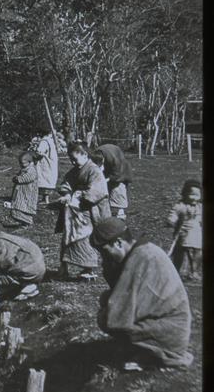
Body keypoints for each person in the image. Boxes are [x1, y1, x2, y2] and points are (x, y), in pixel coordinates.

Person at [92, 217, 193, 370]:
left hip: (171, 333)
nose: (104, 258)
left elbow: (116, 317)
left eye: (105, 253)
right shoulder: (143, 250)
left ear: (119, 243)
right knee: (107, 300)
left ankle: (154, 355)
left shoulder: (140, 258)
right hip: (172, 325)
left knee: (106, 318)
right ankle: (146, 349)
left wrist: (105, 315)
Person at [54, 141, 111, 281]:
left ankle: (88, 268)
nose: (73, 162)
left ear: (85, 155)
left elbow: (99, 190)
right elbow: (66, 183)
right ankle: (64, 267)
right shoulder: (76, 171)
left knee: (86, 238)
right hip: (75, 211)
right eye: (71, 159)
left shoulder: (94, 170)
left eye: (75, 159)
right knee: (68, 235)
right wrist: (67, 194)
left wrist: (80, 196)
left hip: (90, 210)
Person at [0, 219, 46, 304]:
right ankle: (25, 284)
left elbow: (5, 264)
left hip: (32, 270)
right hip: (34, 265)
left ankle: (28, 286)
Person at [167, 180, 203, 281]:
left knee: (197, 252)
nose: (194, 198)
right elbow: (174, 213)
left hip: (197, 232)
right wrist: (171, 220)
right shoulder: (180, 206)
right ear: (185, 194)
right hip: (183, 232)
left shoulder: (200, 207)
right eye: (191, 194)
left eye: (197, 195)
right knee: (180, 252)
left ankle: (194, 271)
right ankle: (177, 270)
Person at [95, 143, 133, 218]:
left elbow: (117, 174)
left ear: (103, 159)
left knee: (118, 189)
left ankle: (120, 212)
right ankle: (108, 210)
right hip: (109, 169)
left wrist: (107, 179)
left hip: (120, 172)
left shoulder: (114, 159)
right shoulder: (96, 154)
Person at [9, 151, 39, 228]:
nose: (21, 165)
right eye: (20, 163)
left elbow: (27, 178)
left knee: (24, 208)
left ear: (30, 162)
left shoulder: (31, 170)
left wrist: (18, 179)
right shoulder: (25, 169)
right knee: (18, 207)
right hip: (21, 193)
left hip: (27, 194)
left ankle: (27, 222)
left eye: (23, 163)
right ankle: (23, 223)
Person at [34, 130, 59, 203]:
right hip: (51, 163)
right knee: (47, 180)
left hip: (46, 163)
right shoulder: (51, 140)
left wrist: (35, 154)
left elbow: (39, 152)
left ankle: (44, 199)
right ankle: (45, 198)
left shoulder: (44, 141)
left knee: (44, 179)